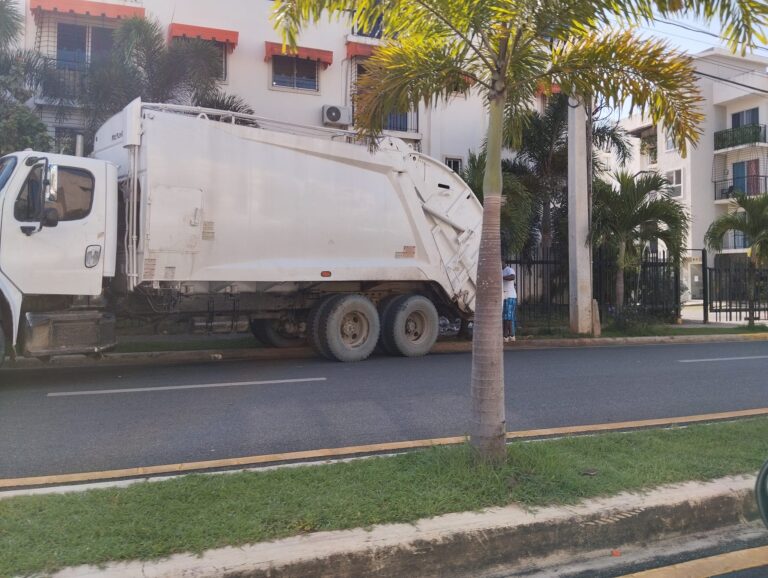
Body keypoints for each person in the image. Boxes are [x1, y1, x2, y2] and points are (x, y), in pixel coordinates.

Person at [502, 261, 517, 343]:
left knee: (507, 317)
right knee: (507, 317)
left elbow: (512, 277)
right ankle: (511, 335)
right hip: (504, 296)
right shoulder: (499, 271)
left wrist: (501, 277)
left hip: (510, 296)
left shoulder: (509, 270)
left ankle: (505, 335)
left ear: (503, 262)